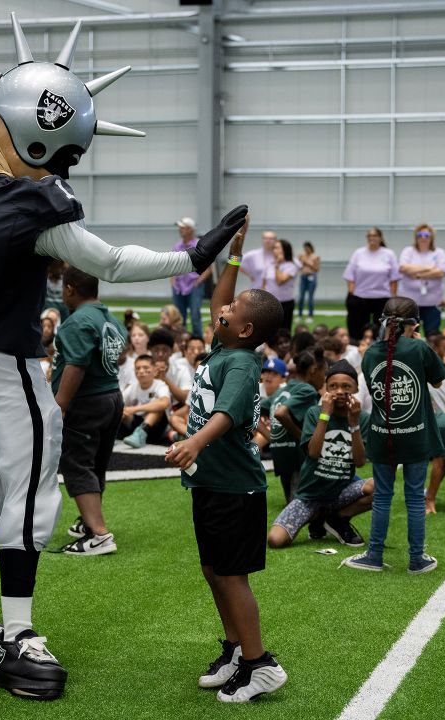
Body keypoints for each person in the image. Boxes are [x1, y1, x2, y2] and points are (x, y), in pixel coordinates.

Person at [0, 21, 246, 700]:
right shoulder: (31, 205)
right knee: (30, 499)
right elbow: (110, 260)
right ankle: (19, 636)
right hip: (9, 369)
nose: (62, 167)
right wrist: (195, 256)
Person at [163, 222, 290, 703]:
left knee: (231, 576)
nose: (224, 309)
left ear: (247, 329)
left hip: (236, 489)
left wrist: (194, 443)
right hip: (212, 486)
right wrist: (234, 257)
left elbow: (228, 413)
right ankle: (236, 649)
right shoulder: (225, 344)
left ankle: (260, 665)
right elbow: (221, 300)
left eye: (233, 311)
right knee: (213, 570)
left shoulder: (241, 363)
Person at [343, 297, 445, 573]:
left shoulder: (371, 354)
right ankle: (416, 558)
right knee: (414, 497)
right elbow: (438, 379)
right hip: (415, 435)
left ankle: (374, 555)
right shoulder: (419, 348)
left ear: (383, 323)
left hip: (382, 434)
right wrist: (417, 341)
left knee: (383, 496)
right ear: (415, 324)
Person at [50, 266, 127, 556]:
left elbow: (77, 364)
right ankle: (88, 522)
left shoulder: (77, 321)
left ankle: (99, 535)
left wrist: (60, 406)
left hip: (87, 401)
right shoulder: (111, 319)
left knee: (77, 464)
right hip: (112, 396)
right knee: (95, 463)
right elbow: (117, 354)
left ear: (69, 289)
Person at [267, 360, 372, 549]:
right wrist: (325, 415)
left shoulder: (362, 418)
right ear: (326, 388)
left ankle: (337, 518)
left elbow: (360, 461)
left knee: (380, 486)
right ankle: (318, 518)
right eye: (333, 386)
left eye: (346, 386)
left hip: (339, 493)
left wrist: (354, 423)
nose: (339, 391)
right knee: (276, 540)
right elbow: (314, 453)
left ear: (356, 389)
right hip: (310, 496)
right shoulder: (314, 413)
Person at [267, 347, 323, 503]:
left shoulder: (282, 390)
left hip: (280, 452)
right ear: (313, 370)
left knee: (292, 505)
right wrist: (302, 436)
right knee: (299, 506)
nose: (324, 378)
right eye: (324, 372)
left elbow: (254, 410)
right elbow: (280, 414)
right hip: (297, 455)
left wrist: (271, 438)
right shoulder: (307, 389)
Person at [342, 227, 399, 340]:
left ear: (380, 238)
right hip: (360, 297)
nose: (372, 238)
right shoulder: (359, 253)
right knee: (357, 330)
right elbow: (350, 276)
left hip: (382, 298)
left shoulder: (388, 254)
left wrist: (392, 296)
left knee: (383, 331)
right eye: (370, 236)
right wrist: (352, 293)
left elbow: (394, 278)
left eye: (375, 236)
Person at [398, 223, 445, 335]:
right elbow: (403, 267)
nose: (423, 237)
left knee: (432, 334)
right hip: (410, 304)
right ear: (416, 237)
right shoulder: (408, 251)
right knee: (409, 335)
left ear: (431, 237)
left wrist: (418, 275)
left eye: (426, 235)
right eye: (420, 234)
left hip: (432, 302)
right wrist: (429, 268)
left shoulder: (439, 252)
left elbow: (441, 272)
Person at [119, 356, 171, 449]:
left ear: (155, 371)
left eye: (145, 368)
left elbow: (164, 403)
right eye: (137, 368)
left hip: (156, 429)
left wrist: (134, 409)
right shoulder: (132, 387)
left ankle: (141, 433)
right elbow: (119, 404)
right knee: (121, 410)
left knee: (158, 408)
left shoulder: (160, 385)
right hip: (135, 425)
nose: (141, 371)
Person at [171, 217, 210, 336]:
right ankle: (180, 340)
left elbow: (209, 268)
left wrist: (198, 282)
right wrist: (173, 281)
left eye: (182, 227)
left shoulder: (199, 245)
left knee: (194, 315)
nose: (179, 230)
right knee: (178, 317)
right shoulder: (176, 246)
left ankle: (198, 339)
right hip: (178, 286)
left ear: (190, 229)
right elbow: (171, 265)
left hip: (194, 286)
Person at [264, 238, 298, 323]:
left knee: (283, 330)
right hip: (270, 303)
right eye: (274, 248)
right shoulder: (270, 265)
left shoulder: (291, 266)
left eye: (277, 248)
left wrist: (277, 265)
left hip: (284, 303)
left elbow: (280, 281)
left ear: (285, 250)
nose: (274, 250)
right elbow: (265, 283)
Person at [296, 241, 320, 321]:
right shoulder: (302, 256)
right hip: (303, 277)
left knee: (310, 297)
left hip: (311, 277)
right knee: (301, 297)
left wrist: (307, 262)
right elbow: (298, 266)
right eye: (305, 248)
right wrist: (299, 260)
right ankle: (299, 315)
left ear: (310, 248)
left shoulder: (315, 257)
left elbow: (317, 269)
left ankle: (310, 316)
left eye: (307, 248)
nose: (306, 249)